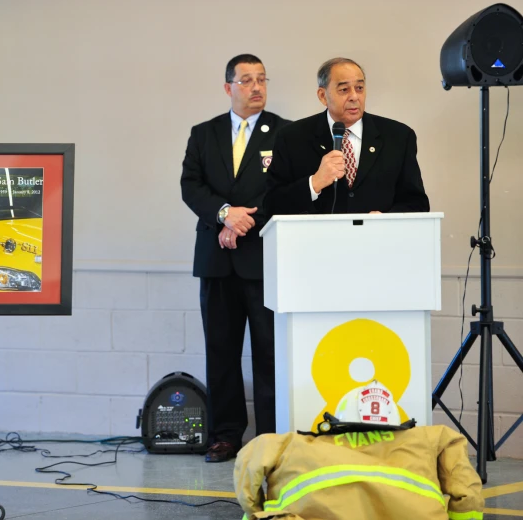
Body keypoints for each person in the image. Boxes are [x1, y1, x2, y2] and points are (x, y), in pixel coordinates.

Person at [180, 54, 290, 463]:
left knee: (268, 351)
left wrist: (243, 220)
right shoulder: (204, 133)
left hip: (262, 258)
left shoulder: (285, 133)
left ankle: (270, 438)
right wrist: (225, 215)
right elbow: (191, 186)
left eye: (262, 79)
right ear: (228, 87)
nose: (256, 87)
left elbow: (284, 188)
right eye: (246, 80)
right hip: (216, 258)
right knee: (221, 351)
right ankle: (225, 435)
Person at [233, 381, 484, 520]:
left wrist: (255, 511)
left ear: (337, 420)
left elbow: (249, 464)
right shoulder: (430, 437)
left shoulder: (292, 444)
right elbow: (467, 495)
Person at [263, 57, 429, 215]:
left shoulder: (398, 136)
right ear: (322, 96)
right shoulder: (292, 137)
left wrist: (385, 218)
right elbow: (271, 204)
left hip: (379, 240)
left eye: (359, 88)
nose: (354, 97)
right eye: (344, 90)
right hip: (317, 241)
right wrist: (314, 183)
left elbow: (417, 203)